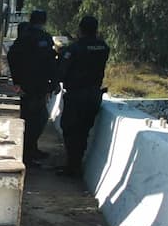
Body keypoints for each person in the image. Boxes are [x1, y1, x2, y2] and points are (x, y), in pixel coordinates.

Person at [57, 15, 110, 176]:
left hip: (76, 96)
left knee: (69, 129)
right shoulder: (103, 47)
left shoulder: (74, 49)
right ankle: (75, 165)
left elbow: (61, 72)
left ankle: (72, 166)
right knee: (83, 131)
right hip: (94, 95)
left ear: (80, 30)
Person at [7, 9, 58, 165]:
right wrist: (53, 82)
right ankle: (27, 154)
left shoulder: (25, 37)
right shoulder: (43, 38)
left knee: (33, 119)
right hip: (37, 86)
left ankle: (31, 150)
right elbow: (51, 62)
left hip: (28, 85)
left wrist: (17, 80)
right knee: (35, 120)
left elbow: (12, 56)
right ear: (44, 21)